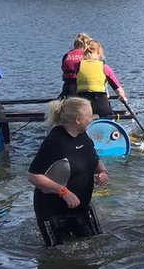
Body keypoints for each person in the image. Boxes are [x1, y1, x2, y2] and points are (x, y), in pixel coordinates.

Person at [27, 97, 109, 247]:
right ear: (78, 119)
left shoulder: (83, 135)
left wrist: (102, 171)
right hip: (51, 209)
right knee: (56, 255)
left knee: (96, 246)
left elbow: (93, 158)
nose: (93, 117)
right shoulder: (55, 141)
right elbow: (33, 176)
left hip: (81, 207)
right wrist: (63, 191)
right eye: (90, 115)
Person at [76, 40, 127, 118]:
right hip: (101, 106)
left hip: (83, 107)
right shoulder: (104, 67)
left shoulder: (77, 66)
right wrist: (123, 97)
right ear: (99, 51)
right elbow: (118, 90)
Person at [59, 33, 91, 99]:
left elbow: (63, 68)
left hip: (67, 86)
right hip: (81, 87)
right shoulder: (87, 55)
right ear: (86, 45)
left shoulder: (67, 55)